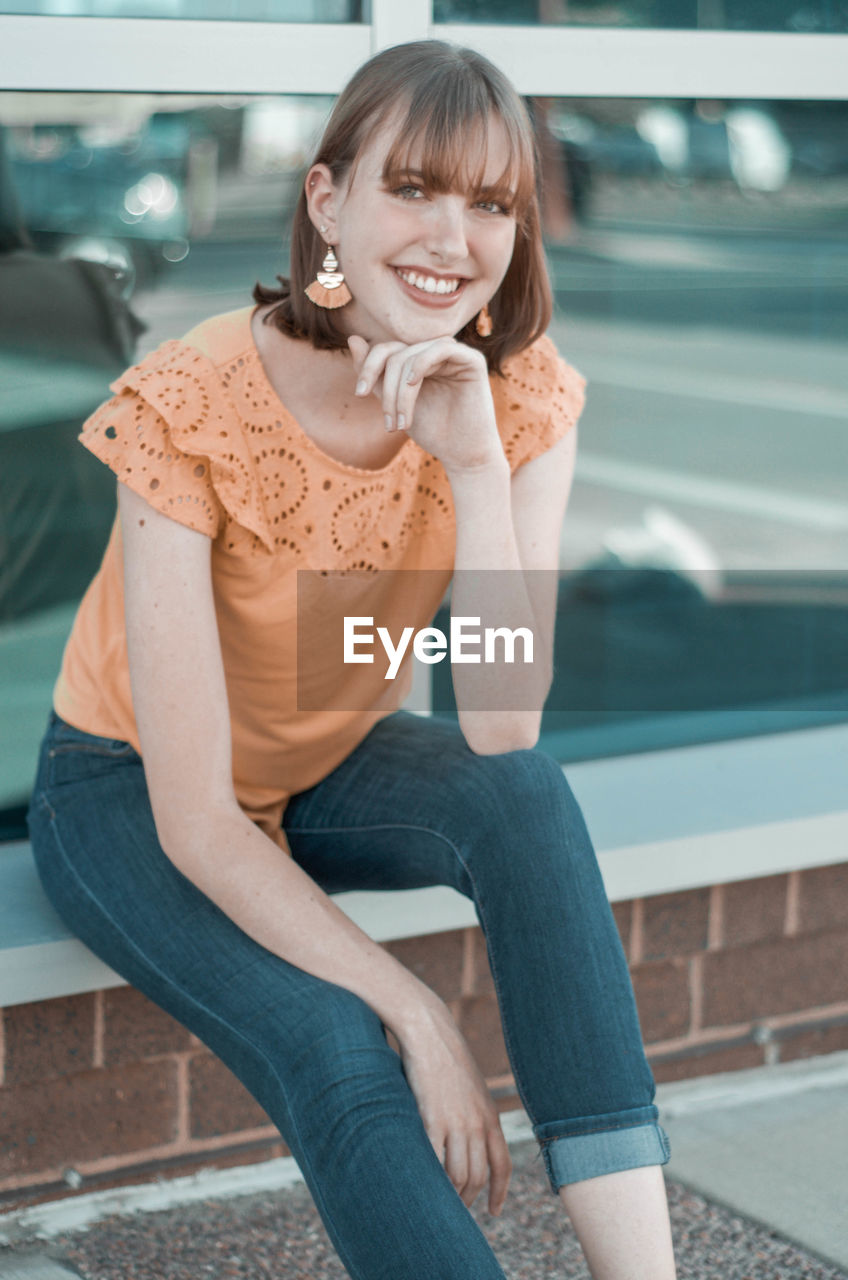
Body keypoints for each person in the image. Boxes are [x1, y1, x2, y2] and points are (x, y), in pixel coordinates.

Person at [27, 40, 677, 1280]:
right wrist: (416, 1008)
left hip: (324, 756)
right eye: (413, 189)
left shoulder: (521, 401)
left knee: (524, 799)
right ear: (327, 201)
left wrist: (474, 465)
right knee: (338, 1039)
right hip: (132, 792)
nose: (451, 236)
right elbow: (202, 824)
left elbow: (499, 726)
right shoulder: (192, 401)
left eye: (490, 203)